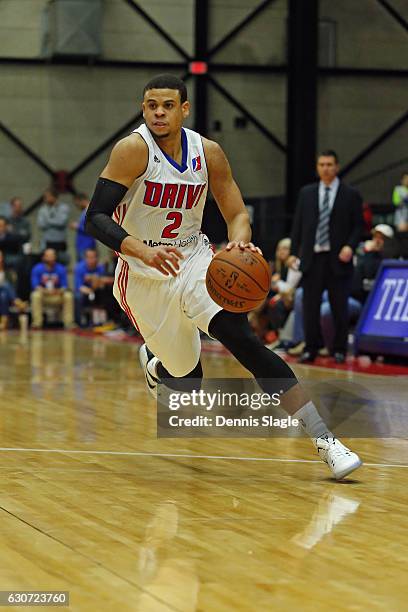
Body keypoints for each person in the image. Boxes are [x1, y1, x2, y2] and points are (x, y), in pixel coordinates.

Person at [85, 74, 362, 480]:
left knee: (243, 340)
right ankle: (157, 364)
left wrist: (238, 244)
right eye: (150, 105)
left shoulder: (208, 152)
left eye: (166, 105)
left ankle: (325, 440)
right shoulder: (132, 150)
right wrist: (142, 250)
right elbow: (95, 216)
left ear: (184, 109)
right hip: (144, 274)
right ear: (143, 109)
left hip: (196, 258)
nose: (158, 112)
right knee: (186, 382)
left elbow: (237, 214)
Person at [288, 150, 364, 364]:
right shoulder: (307, 193)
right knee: (309, 306)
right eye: (322, 164)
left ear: (337, 167)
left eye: (330, 164)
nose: (326, 168)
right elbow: (298, 226)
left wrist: (350, 246)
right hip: (313, 258)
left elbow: (359, 226)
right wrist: (294, 252)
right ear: (317, 167)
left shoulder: (350, 194)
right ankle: (311, 347)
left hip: (339, 259)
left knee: (338, 305)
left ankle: (339, 348)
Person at [30, 248, 74, 329]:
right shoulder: (37, 268)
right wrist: (46, 291)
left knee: (68, 296)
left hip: (57, 295)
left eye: (52, 255)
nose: (50, 258)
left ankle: (69, 323)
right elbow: (35, 286)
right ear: (43, 257)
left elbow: (64, 286)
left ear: (55, 257)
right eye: (48, 256)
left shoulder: (61, 268)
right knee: (35, 295)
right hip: (44, 296)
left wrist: (57, 291)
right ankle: (37, 323)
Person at [74, 248, 111, 327]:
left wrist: (94, 283)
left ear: (97, 258)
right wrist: (90, 290)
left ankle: (102, 321)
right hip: (84, 291)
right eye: (89, 257)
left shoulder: (100, 268)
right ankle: (80, 322)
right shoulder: (80, 268)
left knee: (105, 293)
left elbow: (102, 283)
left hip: (96, 290)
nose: (91, 260)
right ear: (85, 258)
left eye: (93, 257)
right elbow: (79, 286)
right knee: (78, 296)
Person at [37, 188, 70, 254]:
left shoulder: (64, 208)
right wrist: (55, 221)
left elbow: (61, 223)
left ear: (53, 197)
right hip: (47, 241)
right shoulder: (42, 209)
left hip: (60, 241)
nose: (45, 199)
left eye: (47, 197)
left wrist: (47, 220)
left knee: (62, 261)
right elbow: (41, 225)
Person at [71, 193, 97, 260]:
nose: (77, 206)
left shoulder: (90, 211)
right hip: (81, 244)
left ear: (82, 200)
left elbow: (91, 228)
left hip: (87, 245)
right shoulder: (85, 211)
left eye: (77, 204)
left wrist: (77, 226)